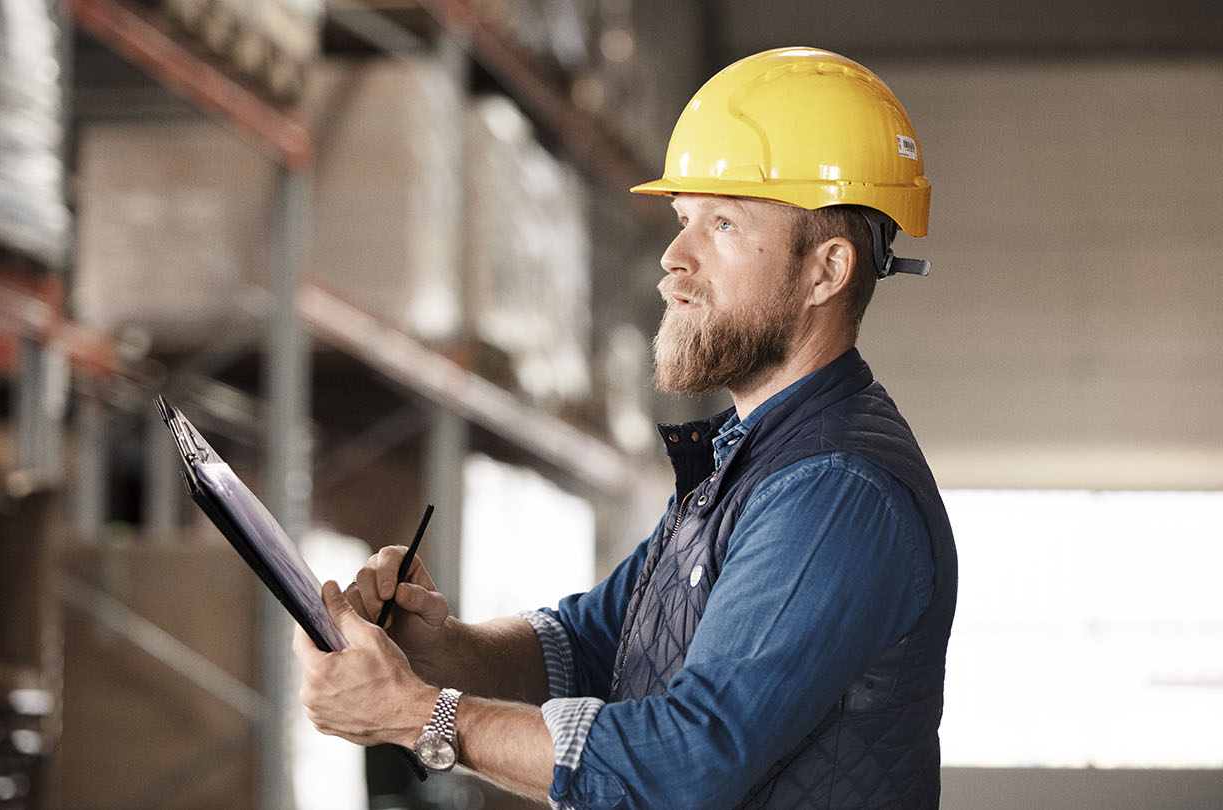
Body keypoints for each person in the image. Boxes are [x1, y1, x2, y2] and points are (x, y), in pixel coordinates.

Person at [294, 47, 958, 810]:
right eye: (683, 220)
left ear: (827, 271)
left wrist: (418, 715)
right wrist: (439, 650)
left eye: (723, 222)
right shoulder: (747, 466)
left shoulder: (832, 491)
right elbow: (590, 647)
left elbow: (686, 761)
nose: (675, 256)